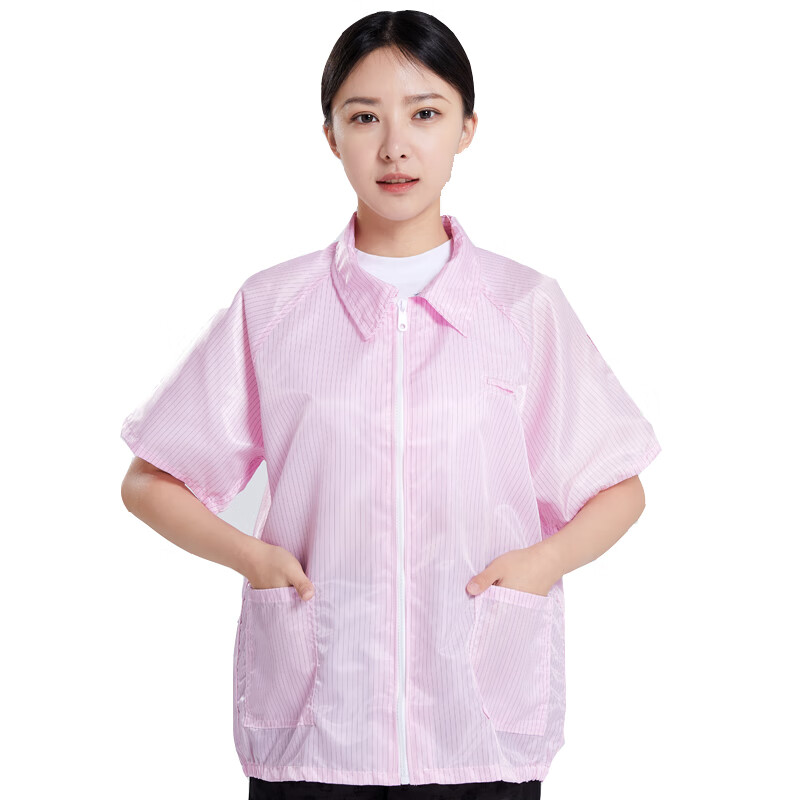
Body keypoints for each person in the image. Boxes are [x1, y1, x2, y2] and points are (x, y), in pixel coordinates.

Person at [120, 10, 661, 800]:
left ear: (467, 128)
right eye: (365, 117)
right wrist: (255, 559)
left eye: (425, 113)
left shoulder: (524, 307)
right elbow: (150, 481)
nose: (395, 146)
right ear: (331, 135)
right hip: (316, 725)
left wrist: (542, 564)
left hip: (479, 721)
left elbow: (618, 485)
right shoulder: (274, 308)